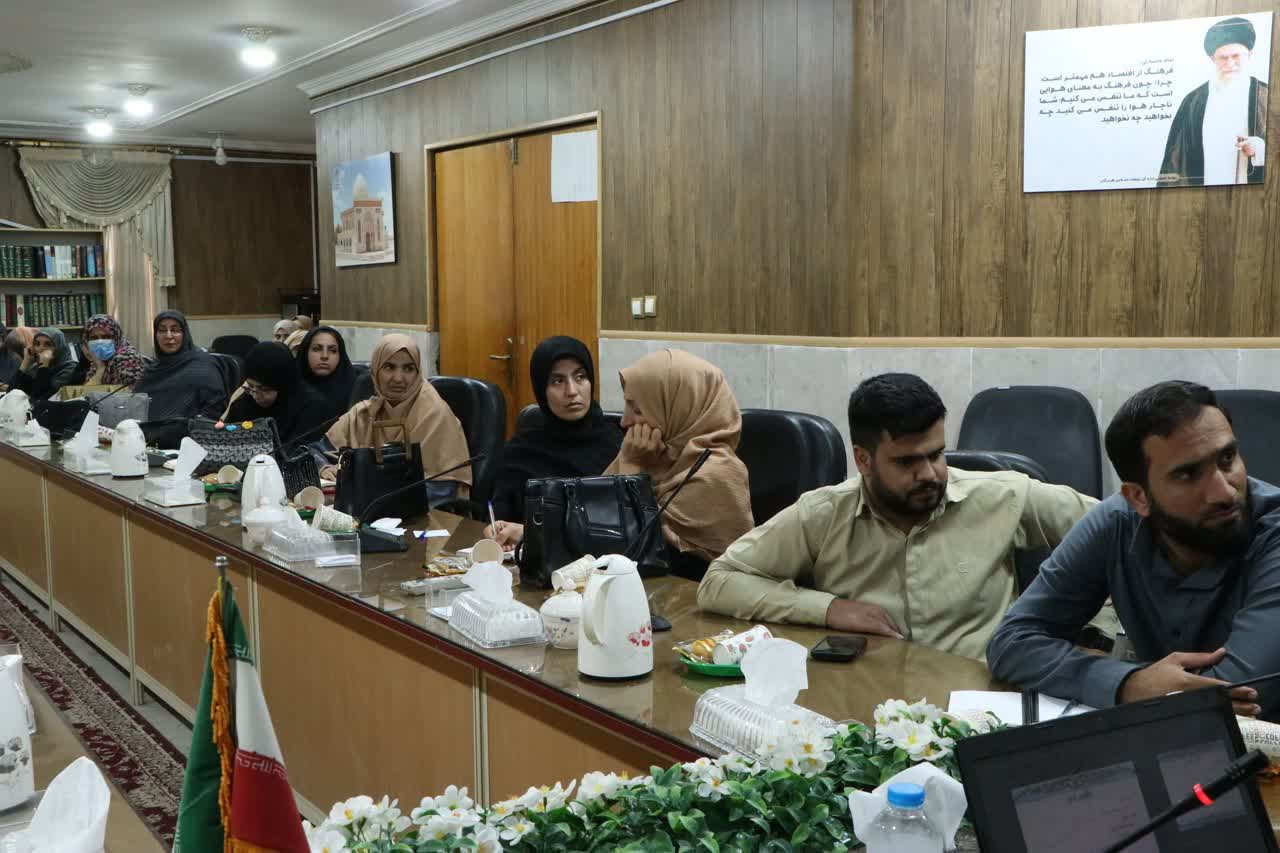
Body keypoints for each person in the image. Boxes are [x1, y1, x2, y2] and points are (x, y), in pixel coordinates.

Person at [697, 373, 1101, 661]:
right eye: (907, 461)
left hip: (981, 703)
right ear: (863, 460)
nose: (929, 473)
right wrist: (828, 608)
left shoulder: (1005, 496)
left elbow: (1118, 529)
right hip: (866, 710)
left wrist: (1096, 636)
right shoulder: (824, 513)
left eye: (936, 454)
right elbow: (719, 581)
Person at [988, 381, 1280, 719]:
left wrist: (1139, 689)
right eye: (1188, 474)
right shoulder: (1115, 523)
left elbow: (1238, 694)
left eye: (1227, 459)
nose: (1224, 492)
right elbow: (1010, 643)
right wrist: (1129, 683)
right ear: (1139, 497)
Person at [487, 348, 752, 580]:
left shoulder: (716, 475)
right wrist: (530, 533)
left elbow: (622, 552)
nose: (624, 421)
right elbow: (593, 529)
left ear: (676, 409)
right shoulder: (657, 456)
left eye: (637, 409)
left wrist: (630, 466)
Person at [321, 333, 471, 503]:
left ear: (418, 373)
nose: (398, 378)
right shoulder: (365, 413)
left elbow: (443, 490)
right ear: (375, 371)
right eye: (389, 367)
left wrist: (374, 494)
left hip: (426, 515)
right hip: (366, 511)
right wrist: (325, 468)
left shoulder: (436, 415)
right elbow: (317, 451)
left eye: (408, 369)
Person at [489, 336, 623, 523]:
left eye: (580, 377)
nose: (572, 391)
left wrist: (530, 532)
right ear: (541, 390)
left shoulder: (615, 445)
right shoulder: (521, 452)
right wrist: (497, 528)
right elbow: (500, 516)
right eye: (558, 381)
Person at [1160, 16, 1268, 187]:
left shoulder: (1268, 96)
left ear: (1249, 55)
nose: (1230, 63)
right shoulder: (1193, 102)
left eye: (1236, 56)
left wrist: (1260, 149)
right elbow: (1176, 160)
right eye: (1223, 58)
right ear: (1212, 59)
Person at [223, 342, 331, 445]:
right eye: (250, 386)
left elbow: (302, 450)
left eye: (264, 389)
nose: (255, 395)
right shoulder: (244, 402)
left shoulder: (312, 407)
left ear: (282, 385)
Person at [132, 310, 230, 422]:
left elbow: (215, 409)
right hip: (148, 430)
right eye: (162, 330)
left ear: (185, 334)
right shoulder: (151, 371)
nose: (168, 336)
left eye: (175, 330)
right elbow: (136, 406)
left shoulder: (203, 365)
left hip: (191, 430)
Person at [297, 325, 358, 423]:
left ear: (341, 355)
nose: (324, 356)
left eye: (333, 350)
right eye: (317, 349)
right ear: (305, 352)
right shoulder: (291, 389)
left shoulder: (355, 391)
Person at [72, 314, 145, 387]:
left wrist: (100, 369)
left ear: (116, 337)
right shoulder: (98, 361)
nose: (100, 341)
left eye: (106, 337)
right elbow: (86, 391)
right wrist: (100, 368)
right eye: (94, 338)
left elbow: (131, 392)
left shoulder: (127, 358)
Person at [9, 327, 78, 399]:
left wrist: (44, 367)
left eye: (47, 344)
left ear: (59, 348)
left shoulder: (70, 369)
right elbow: (10, 396)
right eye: (37, 344)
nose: (40, 349)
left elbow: (40, 398)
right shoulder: (35, 368)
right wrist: (25, 363)